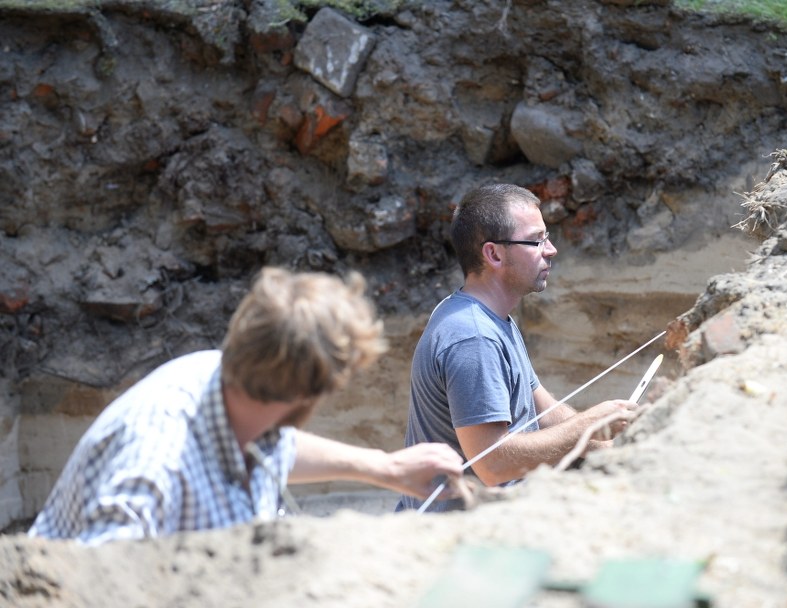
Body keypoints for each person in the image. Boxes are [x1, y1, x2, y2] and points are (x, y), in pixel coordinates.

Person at [29, 267, 463, 544]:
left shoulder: (226, 384)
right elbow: (92, 581)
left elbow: (275, 445)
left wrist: (384, 468)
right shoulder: (154, 461)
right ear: (308, 394)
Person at [397, 183, 641, 512]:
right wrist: (589, 423)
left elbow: (543, 410)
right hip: (457, 539)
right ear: (494, 254)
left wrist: (604, 444)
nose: (551, 249)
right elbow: (493, 464)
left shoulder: (491, 318)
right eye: (536, 240)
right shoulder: (474, 337)